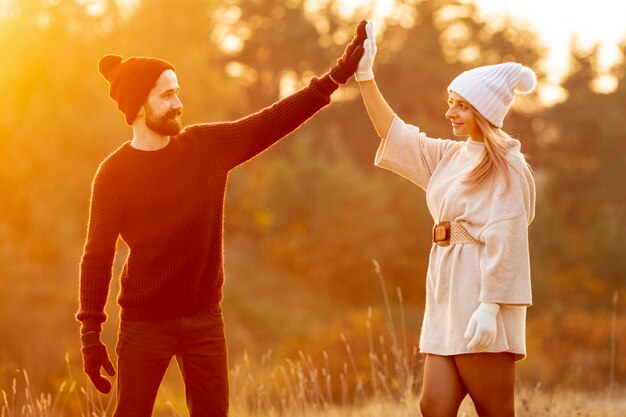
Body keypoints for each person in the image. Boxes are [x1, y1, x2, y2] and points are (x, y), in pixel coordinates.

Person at [76, 20, 366, 417]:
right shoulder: (113, 175)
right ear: (138, 106)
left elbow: (270, 122)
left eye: (178, 92)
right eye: (167, 96)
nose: (178, 103)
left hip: (204, 321)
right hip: (144, 324)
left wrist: (334, 78)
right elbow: (97, 257)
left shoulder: (206, 148)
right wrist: (90, 335)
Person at [356, 22, 536, 417]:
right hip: (444, 290)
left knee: (495, 410)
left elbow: (508, 239)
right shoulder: (449, 157)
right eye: (451, 102)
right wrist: (366, 77)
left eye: (460, 105)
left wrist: (490, 305)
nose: (449, 112)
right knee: (433, 405)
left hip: (482, 294)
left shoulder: (507, 166)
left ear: (484, 112)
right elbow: (395, 133)